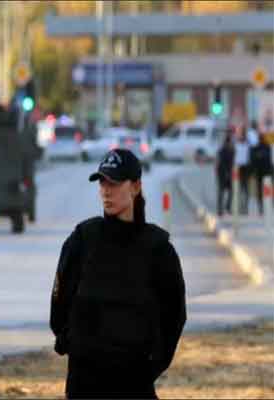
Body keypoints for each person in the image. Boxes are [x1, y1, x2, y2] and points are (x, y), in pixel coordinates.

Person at [50, 149, 186, 399]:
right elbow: (59, 304)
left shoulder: (157, 249)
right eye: (102, 182)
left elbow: (174, 315)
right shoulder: (83, 240)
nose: (106, 190)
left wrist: (151, 367)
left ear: (135, 187)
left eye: (114, 182)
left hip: (134, 382)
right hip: (85, 380)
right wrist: (72, 341)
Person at [250, 132, 274, 215]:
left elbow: (269, 161)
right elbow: (253, 161)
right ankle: (262, 208)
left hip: (264, 173)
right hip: (262, 173)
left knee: (265, 191)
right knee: (262, 191)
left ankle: (265, 207)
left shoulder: (266, 148)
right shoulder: (257, 148)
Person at [216, 134, 235, 217]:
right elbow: (221, 163)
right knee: (221, 191)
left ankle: (227, 207)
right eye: (230, 143)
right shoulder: (223, 151)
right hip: (222, 174)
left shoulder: (232, 150)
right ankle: (220, 209)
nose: (231, 144)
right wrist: (226, 173)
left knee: (231, 191)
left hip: (228, 173)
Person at [234, 128, 251, 215]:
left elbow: (249, 157)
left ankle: (245, 207)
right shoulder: (236, 144)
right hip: (238, 167)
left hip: (245, 167)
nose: (242, 136)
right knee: (239, 188)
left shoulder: (247, 144)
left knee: (245, 189)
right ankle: (240, 207)